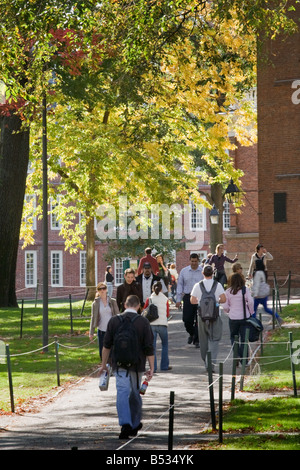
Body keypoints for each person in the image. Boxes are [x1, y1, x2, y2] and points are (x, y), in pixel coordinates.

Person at [99, 295, 155, 439]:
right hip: (137, 365)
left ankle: (125, 424)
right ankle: (135, 423)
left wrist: (103, 365)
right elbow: (149, 347)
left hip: (119, 364)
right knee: (135, 393)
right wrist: (152, 367)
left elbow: (106, 346)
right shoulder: (143, 322)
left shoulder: (114, 321)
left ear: (124, 304)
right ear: (138, 306)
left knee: (122, 393)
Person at [190, 265, 226, 370]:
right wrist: (216, 301)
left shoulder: (198, 285)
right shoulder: (217, 285)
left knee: (203, 340)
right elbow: (223, 299)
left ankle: (205, 360)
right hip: (215, 316)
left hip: (201, 316)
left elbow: (192, 300)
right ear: (213, 273)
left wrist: (202, 302)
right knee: (214, 340)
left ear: (203, 273)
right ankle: (210, 364)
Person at [222, 272, 254, 364]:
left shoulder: (228, 291)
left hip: (233, 317)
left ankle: (237, 355)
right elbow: (251, 302)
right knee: (244, 339)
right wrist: (251, 311)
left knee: (233, 337)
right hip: (244, 317)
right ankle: (244, 359)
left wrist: (228, 311)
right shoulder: (245, 290)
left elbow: (225, 306)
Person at [176, 253, 204, 348]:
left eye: (196, 261)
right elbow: (180, 285)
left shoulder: (202, 271)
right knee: (187, 319)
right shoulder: (184, 271)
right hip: (188, 297)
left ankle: (197, 340)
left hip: (200, 298)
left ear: (198, 261)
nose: (194, 263)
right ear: (190, 261)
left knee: (199, 320)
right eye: (192, 261)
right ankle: (192, 334)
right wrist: (178, 299)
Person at [143, 281, 171, 372]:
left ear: (152, 289)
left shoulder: (149, 298)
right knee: (165, 345)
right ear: (161, 288)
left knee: (152, 346)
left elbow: (145, 311)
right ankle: (164, 365)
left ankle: (153, 367)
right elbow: (167, 313)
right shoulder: (165, 299)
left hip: (152, 325)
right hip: (163, 324)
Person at [89, 282, 119, 360]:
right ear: (97, 291)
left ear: (106, 290)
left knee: (112, 352)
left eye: (104, 288)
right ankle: (104, 368)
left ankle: (112, 369)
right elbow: (93, 318)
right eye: (100, 289)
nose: (102, 290)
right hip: (101, 330)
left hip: (112, 330)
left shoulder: (112, 301)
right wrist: (91, 332)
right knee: (102, 353)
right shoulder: (95, 303)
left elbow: (117, 315)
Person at [252, 259, 283, 325]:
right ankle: (277, 316)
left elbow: (257, 284)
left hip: (259, 295)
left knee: (253, 310)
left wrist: (255, 294)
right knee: (266, 309)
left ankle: (253, 322)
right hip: (264, 294)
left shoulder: (257, 273)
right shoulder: (263, 272)